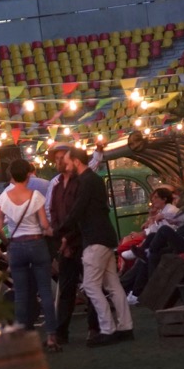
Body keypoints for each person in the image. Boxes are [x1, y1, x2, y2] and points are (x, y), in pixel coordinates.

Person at [57, 147, 133, 346]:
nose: (66, 166)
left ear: (76, 161)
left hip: (95, 238)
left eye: (67, 162)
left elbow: (78, 209)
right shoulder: (93, 179)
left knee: (91, 285)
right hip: (104, 236)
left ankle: (108, 329)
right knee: (113, 284)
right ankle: (125, 326)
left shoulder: (85, 181)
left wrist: (59, 231)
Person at [0, 159, 60, 352]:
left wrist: (8, 243)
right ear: (28, 175)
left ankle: (23, 340)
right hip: (37, 243)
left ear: (11, 176)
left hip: (16, 246)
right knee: (45, 291)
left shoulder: (3, 198)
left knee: (21, 294)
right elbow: (45, 225)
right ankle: (51, 337)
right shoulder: (35, 196)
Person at [48, 144, 99, 344]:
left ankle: (94, 328)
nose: (59, 161)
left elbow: (79, 213)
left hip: (82, 240)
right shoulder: (56, 185)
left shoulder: (81, 183)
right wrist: (60, 238)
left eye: (62, 157)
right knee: (66, 289)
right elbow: (53, 212)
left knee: (91, 286)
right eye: (56, 159)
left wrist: (66, 238)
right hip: (65, 243)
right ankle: (62, 332)